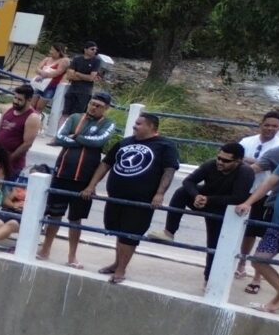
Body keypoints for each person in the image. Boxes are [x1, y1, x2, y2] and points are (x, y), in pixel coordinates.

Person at [84, 112, 178, 285]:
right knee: (119, 232)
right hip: (116, 197)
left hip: (140, 200)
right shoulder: (125, 142)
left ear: (151, 126)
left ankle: (121, 269)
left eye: (139, 124)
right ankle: (117, 263)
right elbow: (106, 163)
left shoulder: (165, 145)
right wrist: (92, 185)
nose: (135, 126)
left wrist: (160, 193)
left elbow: (169, 170)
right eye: (135, 123)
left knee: (130, 235)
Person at [37, 92, 118, 265]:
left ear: (106, 109)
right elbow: (59, 137)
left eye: (98, 106)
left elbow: (99, 141)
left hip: (84, 180)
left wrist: (75, 138)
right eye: (92, 103)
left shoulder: (109, 124)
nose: (93, 108)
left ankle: (72, 256)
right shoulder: (74, 117)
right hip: (62, 174)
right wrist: (79, 140)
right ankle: (45, 249)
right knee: (54, 215)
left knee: (76, 219)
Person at [155, 142, 256, 282]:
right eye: (219, 158)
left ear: (238, 161)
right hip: (205, 200)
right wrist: (196, 195)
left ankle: (209, 278)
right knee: (181, 193)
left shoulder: (245, 172)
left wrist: (208, 200)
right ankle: (169, 231)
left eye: (226, 161)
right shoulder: (211, 164)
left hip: (223, 208)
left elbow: (238, 197)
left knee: (214, 245)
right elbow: (188, 181)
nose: (220, 162)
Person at [235, 146, 279, 313]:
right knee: (259, 259)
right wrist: (248, 202)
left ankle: (276, 302)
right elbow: (268, 183)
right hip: (278, 223)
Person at [0, 85, 39, 180]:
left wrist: (8, 160)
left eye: (20, 99)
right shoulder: (8, 110)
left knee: (4, 192)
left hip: (12, 166)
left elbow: (27, 144)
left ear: (29, 100)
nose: (15, 102)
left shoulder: (32, 118)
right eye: (15, 98)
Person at [61, 40, 105, 123]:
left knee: (78, 115)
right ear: (85, 49)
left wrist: (77, 74)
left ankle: (71, 133)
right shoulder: (77, 59)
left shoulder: (96, 61)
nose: (94, 51)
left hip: (84, 92)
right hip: (72, 89)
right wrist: (84, 76)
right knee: (65, 113)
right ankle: (60, 131)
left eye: (96, 50)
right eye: (92, 49)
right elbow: (69, 75)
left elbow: (91, 78)